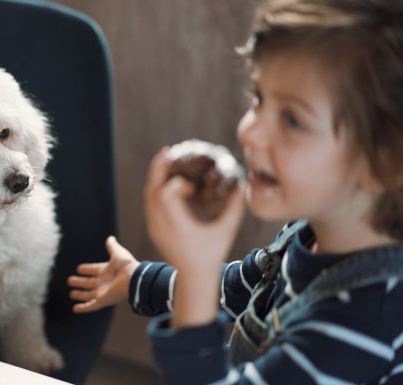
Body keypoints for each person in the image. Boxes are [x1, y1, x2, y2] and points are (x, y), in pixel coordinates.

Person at [68, 0, 403, 383]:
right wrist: (139, 279)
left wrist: (196, 268)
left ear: (386, 162)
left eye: (292, 119)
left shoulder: (358, 325)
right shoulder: (311, 231)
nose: (249, 131)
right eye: (259, 99)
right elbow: (243, 289)